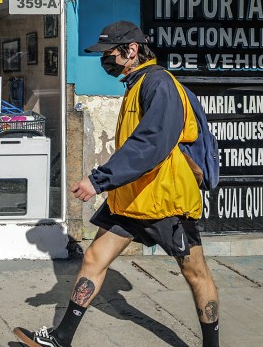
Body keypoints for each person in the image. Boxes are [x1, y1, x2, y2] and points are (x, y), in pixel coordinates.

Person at [15, 20, 219, 347]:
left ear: (132, 50)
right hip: (131, 199)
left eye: (109, 53)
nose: (105, 60)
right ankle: (62, 338)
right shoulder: (137, 83)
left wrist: (100, 180)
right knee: (94, 258)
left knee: (195, 273)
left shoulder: (159, 85)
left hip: (165, 201)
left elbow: (150, 144)